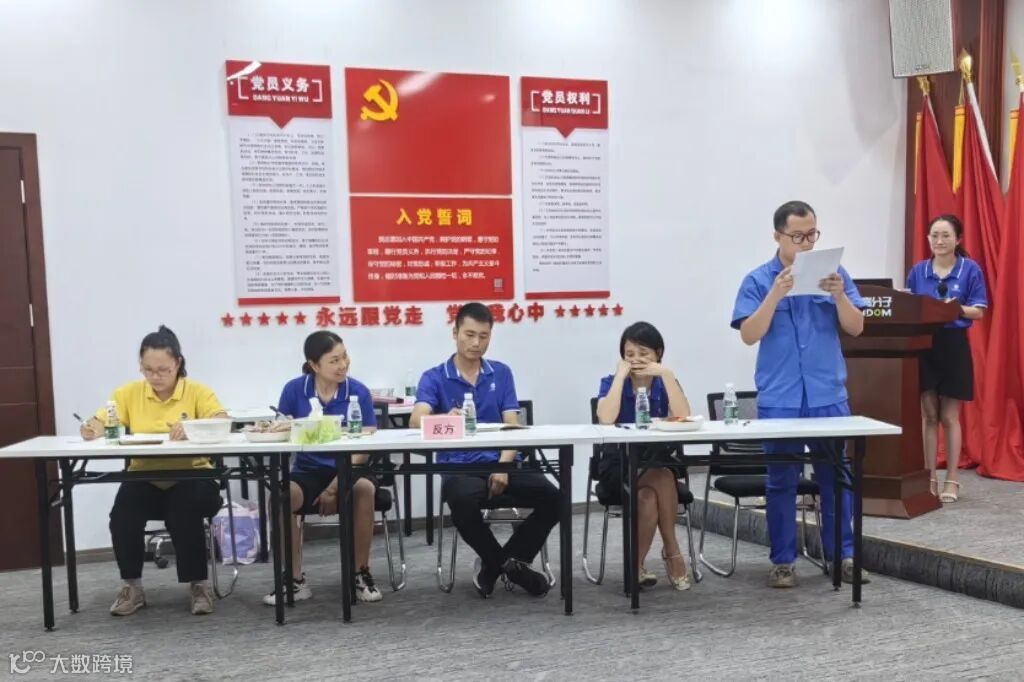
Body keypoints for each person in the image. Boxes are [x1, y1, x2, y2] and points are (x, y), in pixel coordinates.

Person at [730, 200, 871, 588]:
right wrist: (774, 296)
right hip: (781, 399)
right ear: (778, 236)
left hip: (828, 395)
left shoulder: (835, 274)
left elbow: (856, 327)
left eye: (812, 235)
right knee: (781, 481)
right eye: (798, 236)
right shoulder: (758, 280)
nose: (806, 243)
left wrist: (840, 297)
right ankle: (783, 561)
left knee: (837, 478)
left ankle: (843, 556)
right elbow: (749, 334)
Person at [410, 302, 558, 598]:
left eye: (484, 336)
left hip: (501, 460)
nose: (476, 343)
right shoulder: (434, 376)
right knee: (461, 501)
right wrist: (444, 418)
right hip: (459, 466)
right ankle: (507, 565)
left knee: (555, 498)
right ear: (455, 333)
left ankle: (499, 563)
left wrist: (504, 465)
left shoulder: (500, 373)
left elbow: (512, 426)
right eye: (469, 335)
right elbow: (416, 420)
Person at [80, 326, 226, 616]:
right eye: (148, 370)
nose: (155, 377)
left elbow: (221, 420)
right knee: (122, 514)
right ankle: (132, 587)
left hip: (194, 476)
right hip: (145, 476)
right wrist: (91, 427)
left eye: (163, 370)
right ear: (140, 366)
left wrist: (193, 427)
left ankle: (199, 585)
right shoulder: (128, 394)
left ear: (178, 364)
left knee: (184, 508)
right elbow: (102, 419)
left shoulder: (197, 391)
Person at [262, 331, 383, 605]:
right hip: (308, 469)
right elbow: (283, 433)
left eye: (344, 357)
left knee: (364, 489)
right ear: (314, 365)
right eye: (334, 360)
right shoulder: (294, 390)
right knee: (281, 496)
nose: (343, 365)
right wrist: (283, 426)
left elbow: (364, 448)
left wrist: (334, 487)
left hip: (350, 470)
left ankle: (360, 572)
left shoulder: (358, 392)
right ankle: (294, 580)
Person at [595, 321, 693, 591]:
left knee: (648, 498)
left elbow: (683, 415)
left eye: (643, 353)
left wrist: (668, 375)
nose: (636, 360)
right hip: (618, 466)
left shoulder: (664, 382)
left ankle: (635, 567)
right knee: (663, 477)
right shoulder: (610, 382)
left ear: (658, 353)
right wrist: (619, 377)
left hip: (655, 460)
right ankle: (672, 550)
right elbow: (605, 418)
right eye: (629, 354)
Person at [906, 214, 988, 503]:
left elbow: (979, 311)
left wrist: (953, 309)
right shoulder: (918, 271)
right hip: (924, 345)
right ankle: (929, 477)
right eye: (934, 236)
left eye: (946, 236)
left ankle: (952, 480)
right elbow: (909, 305)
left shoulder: (970, 269)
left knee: (949, 416)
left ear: (958, 239)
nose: (939, 241)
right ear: (928, 239)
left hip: (954, 345)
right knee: (929, 416)